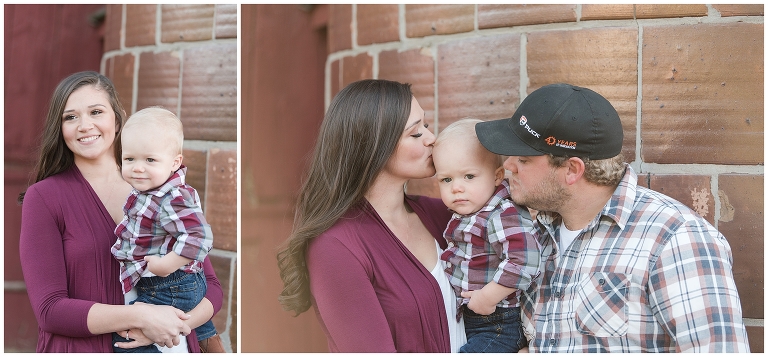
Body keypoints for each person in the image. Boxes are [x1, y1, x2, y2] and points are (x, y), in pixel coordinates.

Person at [475, 83, 751, 352]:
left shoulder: (676, 239)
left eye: (523, 160)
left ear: (572, 169)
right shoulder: (532, 233)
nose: (508, 166)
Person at [18, 71, 223, 353]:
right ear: (60, 127)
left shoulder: (159, 187)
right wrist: (143, 317)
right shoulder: (43, 197)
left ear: (117, 118)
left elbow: (210, 284)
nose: (84, 125)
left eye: (96, 111)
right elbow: (50, 310)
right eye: (71, 117)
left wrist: (171, 326)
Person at [276, 79, 466, 352]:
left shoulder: (444, 215)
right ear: (375, 146)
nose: (431, 138)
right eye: (415, 134)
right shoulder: (335, 247)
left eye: (425, 125)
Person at [110, 107, 220, 353]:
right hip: (175, 283)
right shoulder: (151, 190)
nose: (138, 167)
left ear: (174, 162)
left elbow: (200, 236)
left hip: (169, 284)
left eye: (150, 160)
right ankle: (205, 334)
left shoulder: (171, 197)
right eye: (130, 159)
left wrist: (168, 263)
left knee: (129, 338)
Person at [432, 118, 539, 353]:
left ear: (497, 176)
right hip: (474, 318)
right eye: (446, 179)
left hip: (497, 322)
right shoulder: (471, 210)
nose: (456, 187)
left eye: (469, 176)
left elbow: (525, 259)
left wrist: (489, 297)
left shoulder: (500, 213)